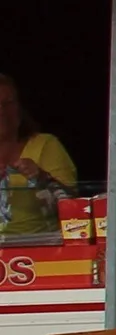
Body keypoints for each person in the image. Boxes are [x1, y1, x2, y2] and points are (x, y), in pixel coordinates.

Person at [0, 76, 76, 240]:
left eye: (8, 103)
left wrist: (43, 178)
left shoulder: (46, 145)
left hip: (39, 248)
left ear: (19, 108)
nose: (1, 110)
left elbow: (75, 209)